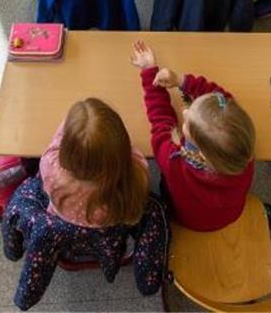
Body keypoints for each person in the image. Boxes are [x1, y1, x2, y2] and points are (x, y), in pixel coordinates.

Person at [129, 40, 255, 231]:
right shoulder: (243, 152)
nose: (185, 113)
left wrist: (149, 72)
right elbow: (224, 102)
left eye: (187, 123)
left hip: (185, 219)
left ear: (201, 153)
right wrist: (181, 81)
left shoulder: (174, 162)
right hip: (227, 217)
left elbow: (160, 121)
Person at [39, 98, 149, 228]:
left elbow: (57, 142)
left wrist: (74, 125)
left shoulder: (49, 165)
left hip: (62, 218)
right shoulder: (136, 174)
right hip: (106, 226)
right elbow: (129, 151)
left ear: (68, 149)